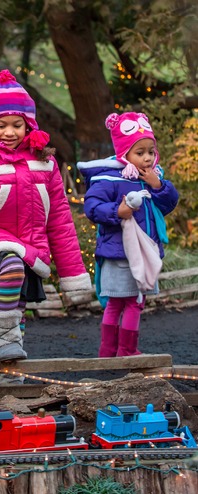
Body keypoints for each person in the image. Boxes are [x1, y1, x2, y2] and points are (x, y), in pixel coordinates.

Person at [0, 70, 92, 383]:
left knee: (20, 306)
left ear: (29, 124)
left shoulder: (45, 164)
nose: (10, 132)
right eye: (1, 125)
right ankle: (4, 340)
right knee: (12, 267)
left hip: (34, 247)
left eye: (17, 124)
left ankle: (10, 376)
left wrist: (72, 275)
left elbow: (60, 222)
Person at [77, 112, 178, 358]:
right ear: (124, 153)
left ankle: (118, 350)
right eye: (140, 152)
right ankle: (120, 351)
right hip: (119, 252)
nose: (147, 158)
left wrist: (158, 186)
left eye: (150, 152)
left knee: (133, 301)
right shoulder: (109, 177)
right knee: (121, 302)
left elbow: (168, 205)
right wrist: (117, 210)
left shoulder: (153, 178)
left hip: (145, 252)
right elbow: (92, 207)